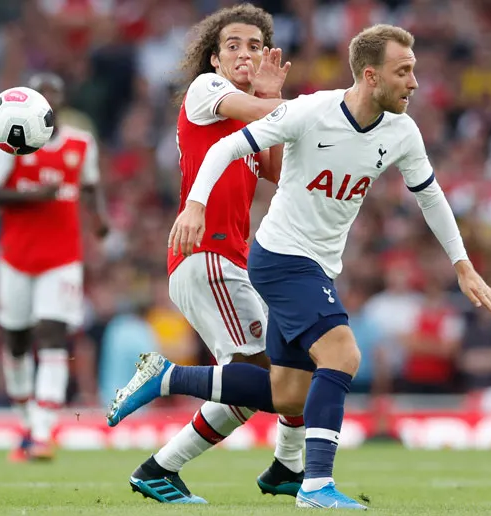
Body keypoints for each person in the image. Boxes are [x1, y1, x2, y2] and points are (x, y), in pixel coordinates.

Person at [109, 24, 491, 509]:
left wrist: (463, 265)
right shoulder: (293, 106)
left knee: (287, 393)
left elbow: (430, 196)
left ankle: (183, 404)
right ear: (371, 76)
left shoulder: (401, 131)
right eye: (404, 71)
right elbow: (228, 145)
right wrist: (195, 204)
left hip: (301, 262)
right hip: (265, 257)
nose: (414, 82)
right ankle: (313, 483)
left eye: (413, 71)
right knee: (342, 354)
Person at [106, 4, 305, 505]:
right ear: (214, 59)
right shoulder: (206, 90)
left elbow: (277, 170)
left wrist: (272, 97)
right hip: (208, 255)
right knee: (274, 376)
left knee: (253, 385)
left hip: (227, 259)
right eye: (233, 46)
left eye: (255, 46)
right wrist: (276, 100)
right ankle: (167, 378)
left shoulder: (253, 112)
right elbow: (267, 115)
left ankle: (160, 469)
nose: (244, 55)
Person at [0, 72, 109, 462]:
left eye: (54, 92)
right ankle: (25, 422)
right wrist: (32, 196)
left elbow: (90, 184)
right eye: (41, 92)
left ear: (60, 101)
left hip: (63, 258)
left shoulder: (81, 143)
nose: (49, 97)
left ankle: (42, 432)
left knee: (53, 336)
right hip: (16, 259)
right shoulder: (9, 143)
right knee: (16, 342)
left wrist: (98, 217)